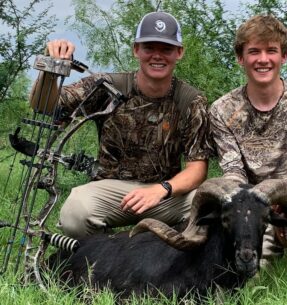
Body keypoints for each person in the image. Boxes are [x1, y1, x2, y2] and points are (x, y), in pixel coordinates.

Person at [30, 12, 210, 238]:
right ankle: (105, 253)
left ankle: (168, 251)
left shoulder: (191, 100)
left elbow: (197, 168)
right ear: (136, 50)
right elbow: (46, 107)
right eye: (149, 47)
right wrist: (49, 66)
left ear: (179, 53)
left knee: (211, 206)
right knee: (75, 212)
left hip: (165, 194)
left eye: (166, 49)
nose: (157, 56)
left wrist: (162, 189)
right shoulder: (107, 86)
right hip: (111, 191)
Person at [208, 15, 287, 264]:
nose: (263, 59)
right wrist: (253, 201)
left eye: (271, 50)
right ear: (241, 58)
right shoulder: (221, 109)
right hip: (246, 199)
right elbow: (232, 171)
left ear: (283, 56)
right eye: (254, 51)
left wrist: (273, 194)